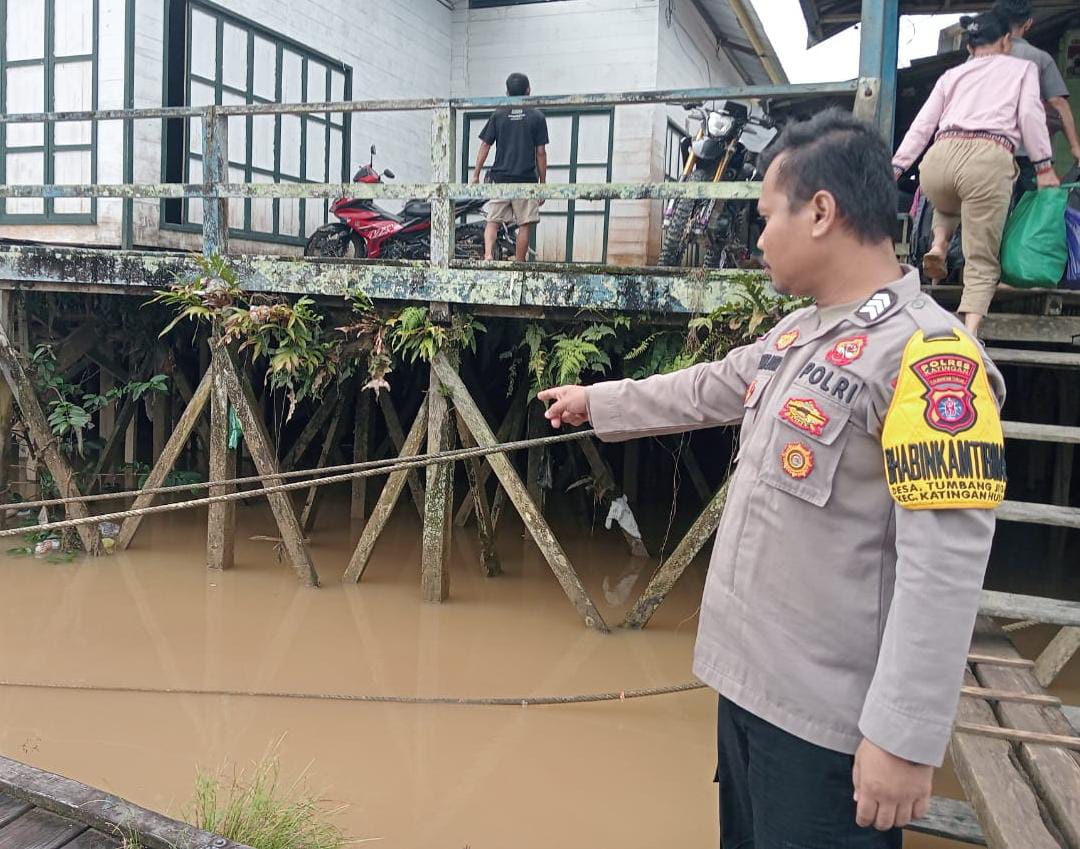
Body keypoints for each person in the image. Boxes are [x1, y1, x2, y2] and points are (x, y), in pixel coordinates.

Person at [539, 109, 1007, 848]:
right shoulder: (799, 331)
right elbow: (705, 387)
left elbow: (943, 566)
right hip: (748, 687)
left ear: (820, 212)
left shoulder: (928, 358)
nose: (758, 239)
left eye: (765, 218)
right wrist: (596, 401)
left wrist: (904, 737)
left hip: (828, 725)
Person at [892, 10, 1059, 335]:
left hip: (938, 161)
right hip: (986, 158)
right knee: (981, 259)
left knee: (949, 199)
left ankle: (939, 244)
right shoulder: (1022, 69)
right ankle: (969, 332)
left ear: (969, 47)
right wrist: (1044, 166)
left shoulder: (951, 76)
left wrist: (897, 166)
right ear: (1007, 41)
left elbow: (923, 125)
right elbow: (1030, 115)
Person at [994, 0, 1080, 184]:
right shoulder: (1039, 57)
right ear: (1028, 23)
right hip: (1029, 155)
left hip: (986, 151)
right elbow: (1059, 103)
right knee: (1028, 202)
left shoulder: (977, 58)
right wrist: (1075, 147)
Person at [469, 72, 549, 262]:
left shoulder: (498, 115)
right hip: (526, 179)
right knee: (524, 224)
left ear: (507, 93)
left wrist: (476, 175)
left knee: (492, 221)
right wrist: (543, 183)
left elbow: (485, 145)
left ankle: (488, 255)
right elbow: (541, 153)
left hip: (500, 178)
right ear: (528, 91)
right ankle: (519, 263)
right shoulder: (537, 117)